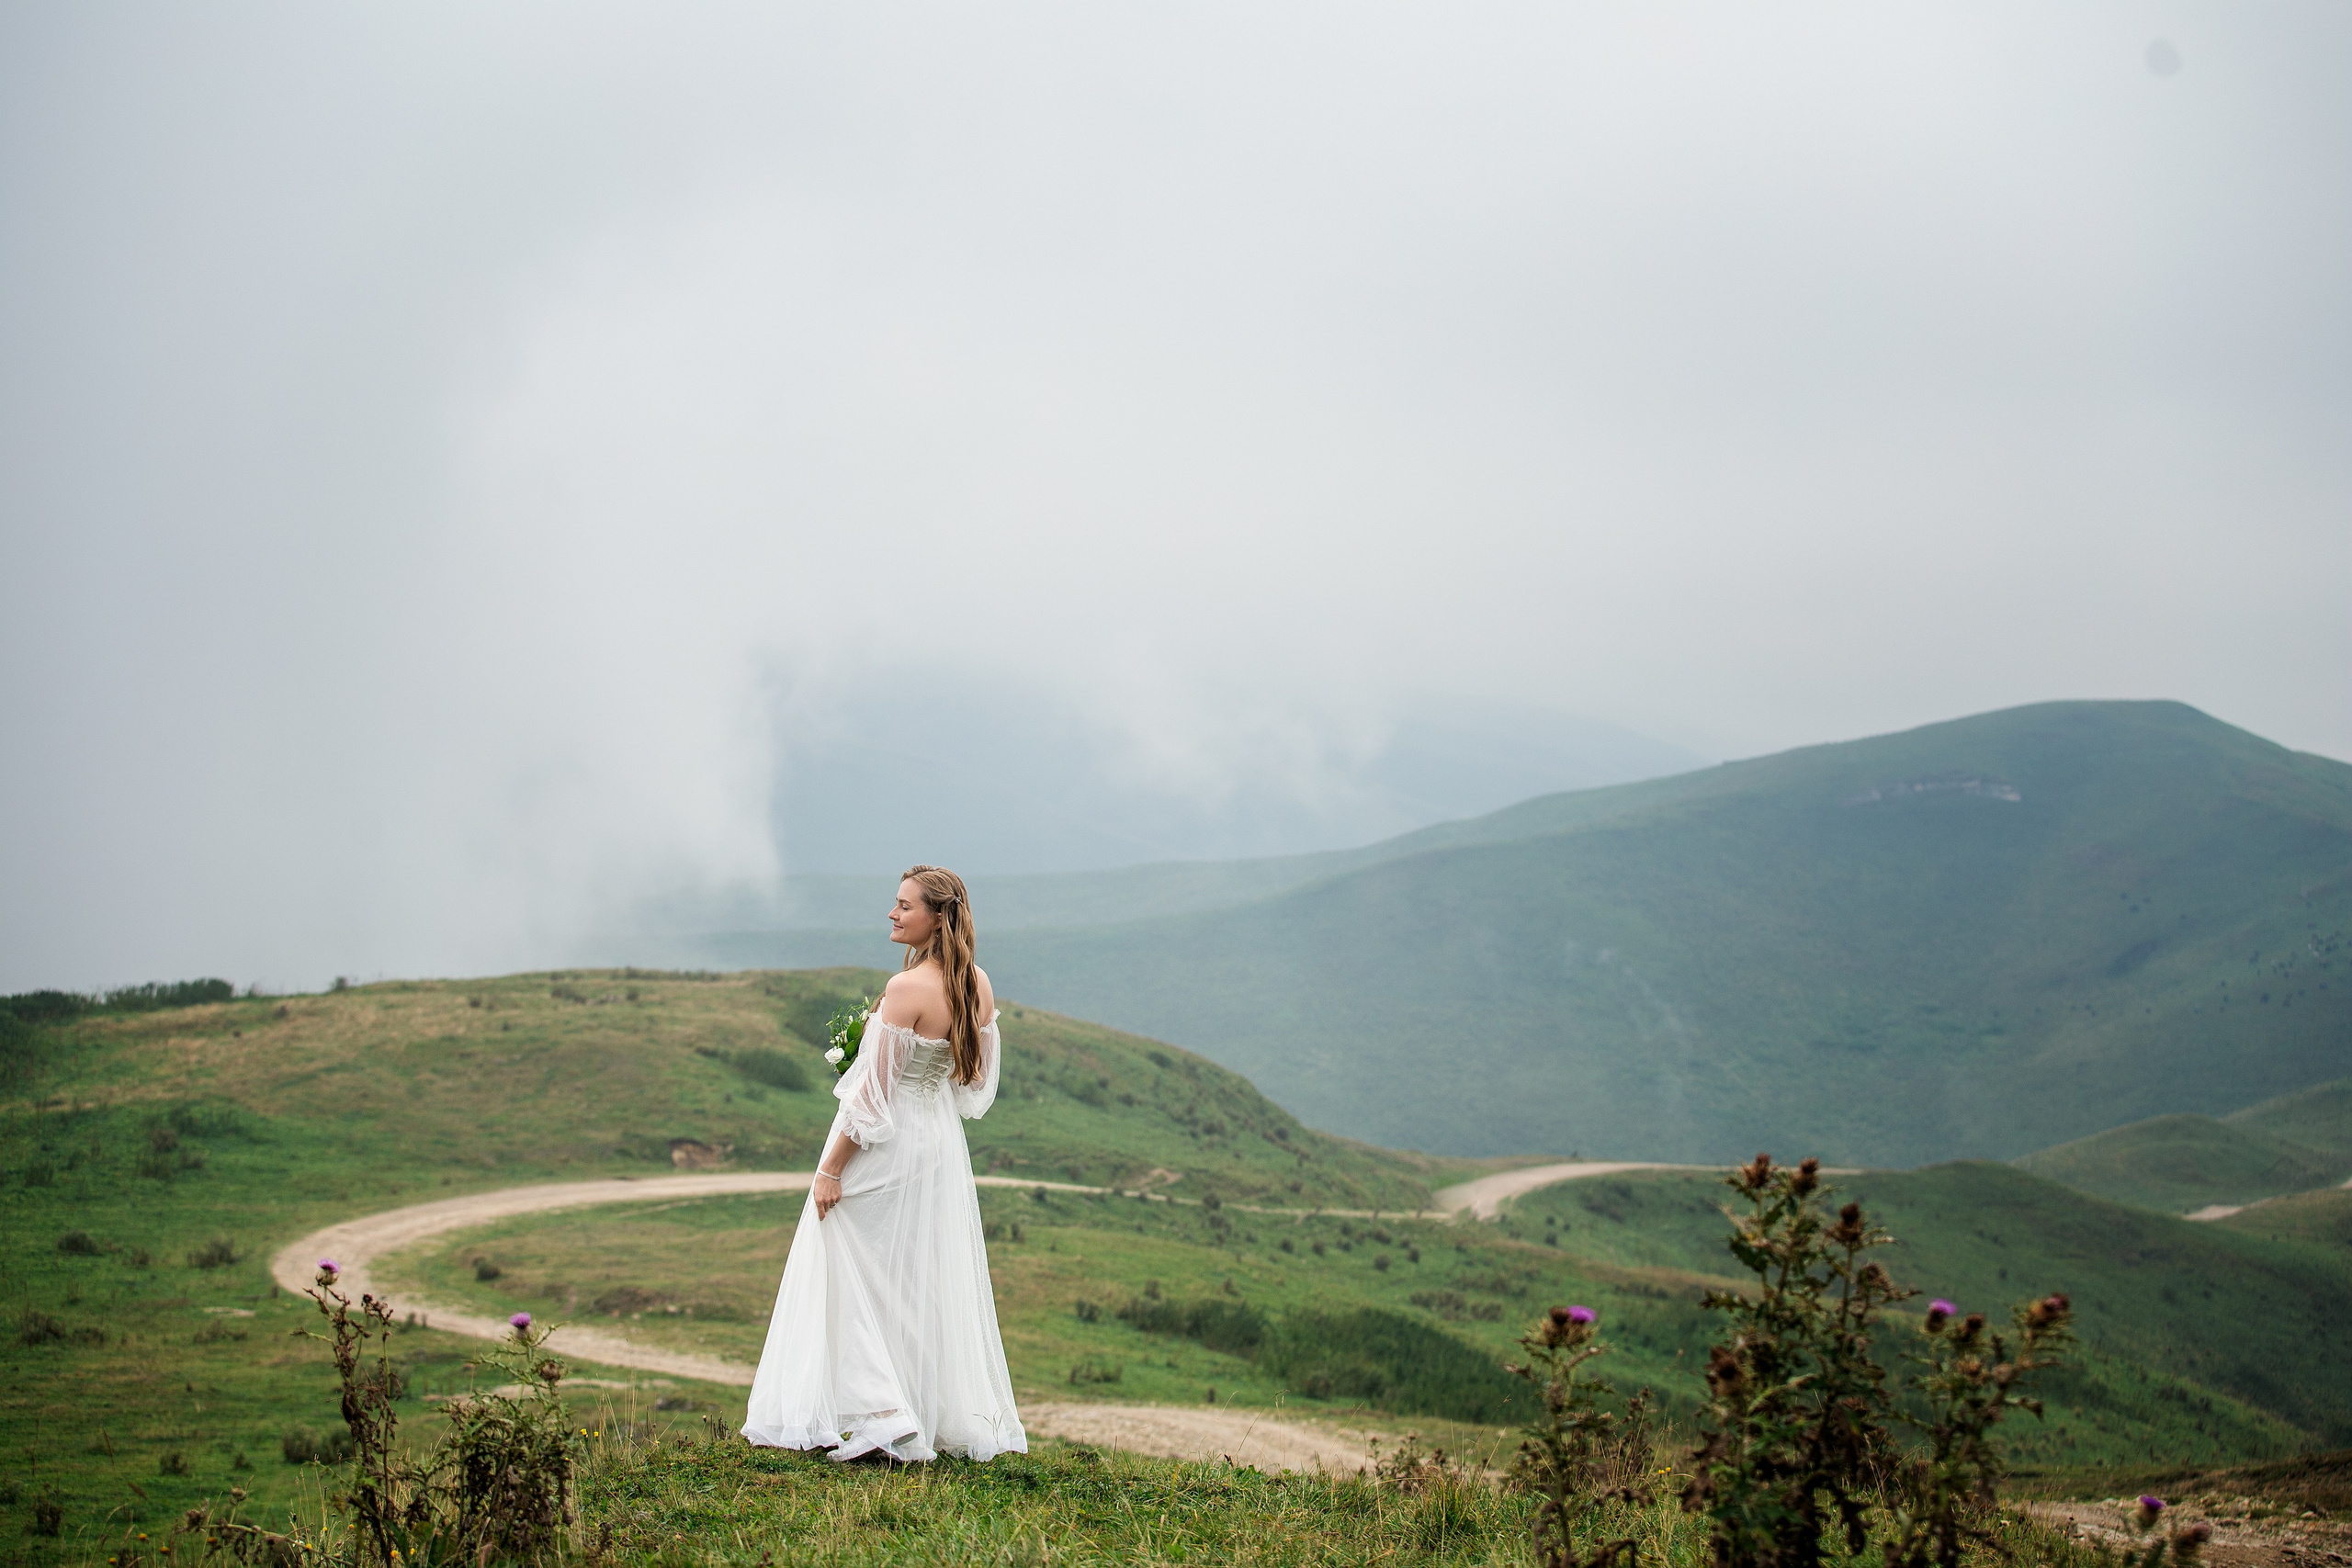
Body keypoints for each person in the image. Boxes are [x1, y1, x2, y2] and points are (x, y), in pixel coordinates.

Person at [739, 864, 1027, 1463]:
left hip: (886, 1143)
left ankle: (884, 1414)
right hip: (939, 1144)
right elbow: (973, 1082)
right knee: (916, 1276)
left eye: (903, 905)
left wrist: (831, 1169)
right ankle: (909, 1411)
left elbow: (871, 1094)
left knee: (846, 1259)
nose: (892, 914)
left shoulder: (904, 991)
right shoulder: (979, 983)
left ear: (937, 915)